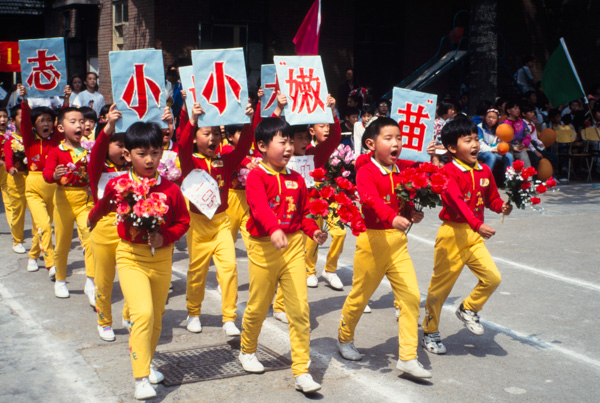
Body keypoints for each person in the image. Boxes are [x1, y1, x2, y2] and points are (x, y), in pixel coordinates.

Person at [88, 121, 190, 400]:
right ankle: (141, 378)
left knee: (156, 318)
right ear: (127, 154)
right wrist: (92, 219)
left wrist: (165, 237)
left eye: (155, 153)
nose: (149, 159)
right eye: (141, 153)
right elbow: (103, 205)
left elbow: (183, 222)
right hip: (130, 256)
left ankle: (147, 361)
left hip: (162, 259)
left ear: (162, 153)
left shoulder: (170, 189)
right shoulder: (120, 185)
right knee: (142, 313)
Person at [336, 117, 431, 379]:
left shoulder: (400, 171)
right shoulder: (366, 170)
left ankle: (408, 357)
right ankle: (345, 338)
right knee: (360, 296)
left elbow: (404, 202)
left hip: (398, 244)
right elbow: (370, 199)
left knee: (411, 297)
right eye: (388, 138)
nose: (396, 143)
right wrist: (392, 217)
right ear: (371, 143)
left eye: (399, 138)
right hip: (372, 242)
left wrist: (411, 213)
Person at [239, 117, 327, 393]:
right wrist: (274, 229)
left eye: (291, 142)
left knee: (299, 309)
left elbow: (303, 214)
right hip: (263, 247)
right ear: (263, 146)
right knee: (258, 304)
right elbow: (259, 207)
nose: (289, 147)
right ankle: (247, 349)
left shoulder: (297, 178)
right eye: (283, 142)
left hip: (293, 247)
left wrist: (313, 231)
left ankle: (302, 370)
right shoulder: (256, 176)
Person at [421, 117, 512, 355]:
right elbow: (456, 201)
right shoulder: (448, 172)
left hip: (473, 236)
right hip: (452, 234)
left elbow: (491, 198)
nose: (474, 144)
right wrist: (477, 223)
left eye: (476, 139)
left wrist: (501, 205)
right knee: (440, 289)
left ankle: (468, 308)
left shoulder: (484, 170)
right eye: (467, 140)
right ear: (451, 148)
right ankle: (430, 331)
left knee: (492, 278)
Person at [179, 101, 254, 337]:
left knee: (229, 268)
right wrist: (191, 120)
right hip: (198, 225)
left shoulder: (226, 160)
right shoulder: (191, 161)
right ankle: (194, 313)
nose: (212, 139)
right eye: (206, 133)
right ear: (195, 137)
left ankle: (229, 316)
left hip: (222, 222)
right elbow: (181, 145)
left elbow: (242, 149)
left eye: (216, 134)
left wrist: (248, 121)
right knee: (197, 271)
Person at [88, 104, 130, 342]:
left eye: (127, 145)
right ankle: (104, 321)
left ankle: (128, 315)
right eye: (119, 144)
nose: (124, 150)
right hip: (104, 229)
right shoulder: (98, 168)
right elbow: (97, 151)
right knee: (104, 280)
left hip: (129, 228)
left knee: (130, 278)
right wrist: (109, 127)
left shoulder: (134, 168)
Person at [42, 107, 94, 299]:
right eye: (72, 121)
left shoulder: (90, 148)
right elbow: (47, 174)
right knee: (63, 243)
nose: (79, 125)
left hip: (86, 201)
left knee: (90, 240)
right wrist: (54, 175)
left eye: (81, 121)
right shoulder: (57, 151)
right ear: (61, 128)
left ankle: (91, 280)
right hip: (64, 200)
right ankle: (61, 280)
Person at [19, 85, 67, 277]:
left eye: (49, 120)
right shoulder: (29, 140)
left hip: (54, 187)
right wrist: (23, 101)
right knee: (45, 226)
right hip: (34, 188)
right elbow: (23, 122)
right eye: (41, 121)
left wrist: (66, 100)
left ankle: (33, 255)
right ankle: (51, 265)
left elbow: (65, 121)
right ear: (34, 125)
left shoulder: (56, 140)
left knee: (43, 227)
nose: (46, 123)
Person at [4, 104, 40, 257]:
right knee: (18, 212)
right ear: (13, 121)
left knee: (36, 211)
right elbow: (7, 157)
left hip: (32, 179)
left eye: (28, 118)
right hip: (16, 180)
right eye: (21, 118)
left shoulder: (34, 138)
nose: (26, 121)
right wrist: (10, 167)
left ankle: (37, 240)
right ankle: (17, 240)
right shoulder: (10, 140)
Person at [502, 101, 532, 168]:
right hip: (507, 148)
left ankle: (528, 178)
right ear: (508, 111)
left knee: (524, 157)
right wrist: (505, 144)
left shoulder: (522, 123)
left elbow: (527, 136)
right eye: (515, 108)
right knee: (509, 157)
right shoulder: (503, 124)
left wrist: (523, 144)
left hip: (519, 147)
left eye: (518, 108)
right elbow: (499, 137)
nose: (518, 110)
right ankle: (510, 178)